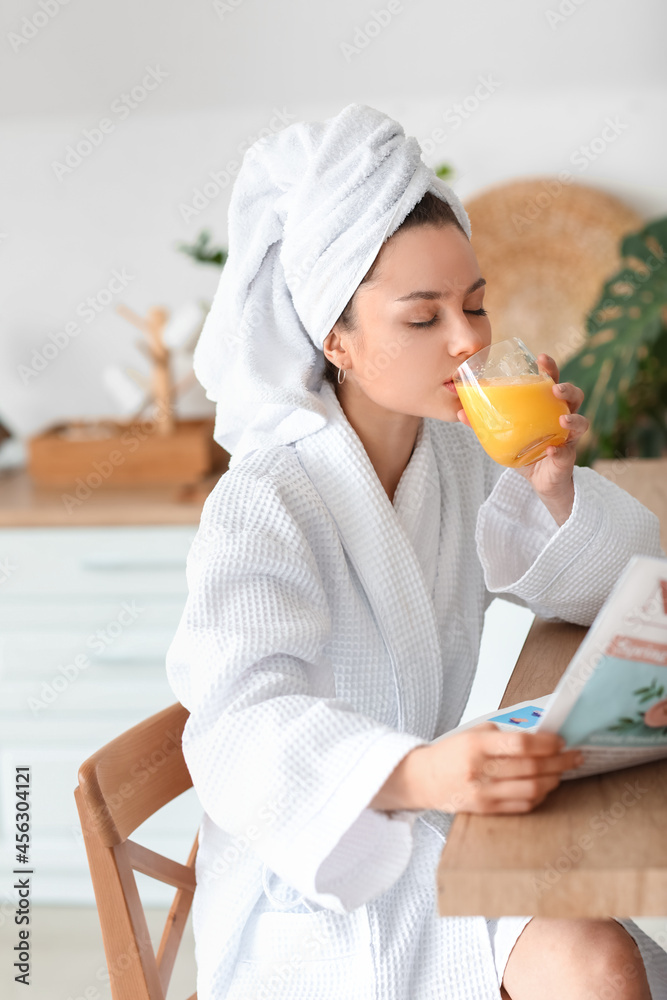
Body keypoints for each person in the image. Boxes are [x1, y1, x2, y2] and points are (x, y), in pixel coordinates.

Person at [165, 104, 667, 999]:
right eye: (422, 317)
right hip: (317, 872)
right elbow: (236, 728)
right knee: (592, 959)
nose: (468, 340)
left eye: (474, 305)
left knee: (598, 954)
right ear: (337, 341)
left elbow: (610, 584)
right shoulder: (264, 500)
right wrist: (413, 769)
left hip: (426, 821)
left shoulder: (451, 451)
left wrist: (554, 484)